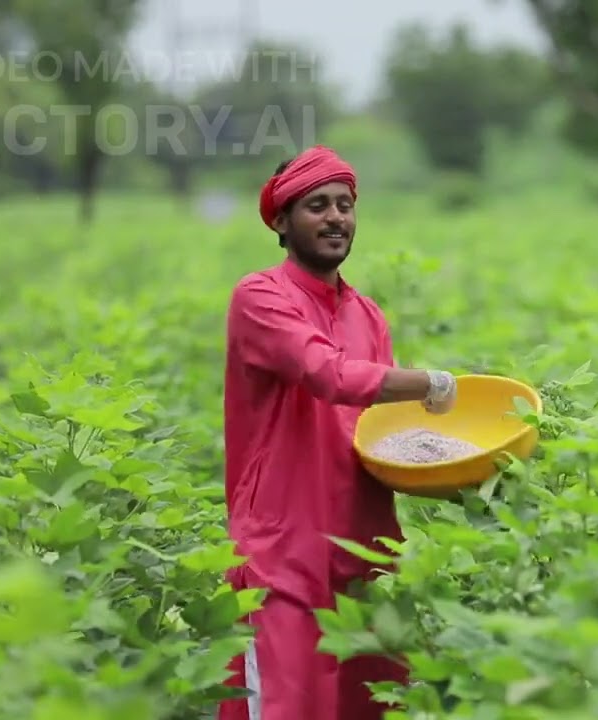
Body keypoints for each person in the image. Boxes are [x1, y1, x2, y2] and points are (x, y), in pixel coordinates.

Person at [217, 145, 457, 720]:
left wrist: (456, 465)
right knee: (286, 703)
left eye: (345, 205)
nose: (335, 218)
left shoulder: (368, 314)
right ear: (281, 221)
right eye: (316, 205)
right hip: (283, 549)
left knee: (372, 703)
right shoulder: (260, 296)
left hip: (362, 543)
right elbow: (326, 373)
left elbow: (383, 430)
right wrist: (433, 383)